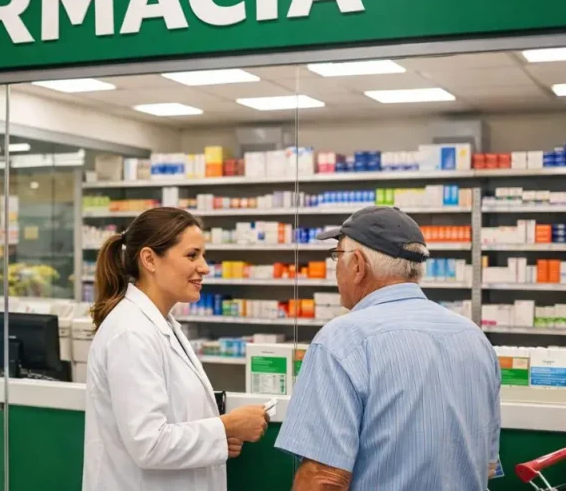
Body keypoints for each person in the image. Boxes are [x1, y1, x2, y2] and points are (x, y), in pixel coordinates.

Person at [275, 206, 501, 490]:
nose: (335, 267)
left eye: (337, 255)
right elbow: (487, 465)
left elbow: (324, 478)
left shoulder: (342, 340)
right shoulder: (473, 337)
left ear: (358, 265)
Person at [82, 208, 269, 491]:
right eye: (192, 255)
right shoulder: (131, 332)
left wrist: (217, 439)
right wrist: (226, 427)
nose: (204, 267)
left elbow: (170, 423)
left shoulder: (160, 325)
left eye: (203, 256)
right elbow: (148, 444)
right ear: (149, 259)